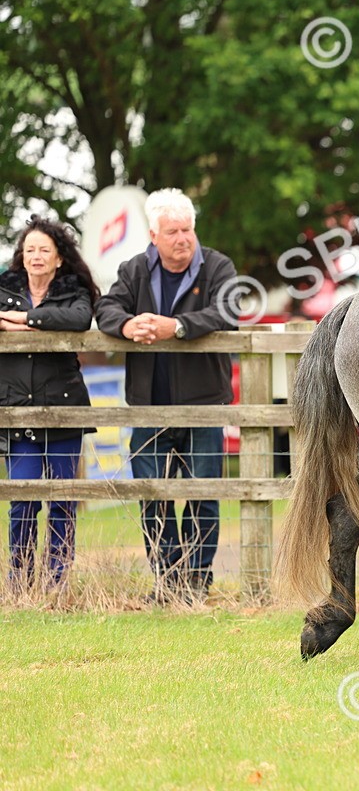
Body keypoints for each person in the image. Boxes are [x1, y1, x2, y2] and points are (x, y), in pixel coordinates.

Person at [95, 188, 239, 604]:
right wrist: (127, 326)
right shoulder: (134, 269)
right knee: (152, 494)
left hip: (204, 403)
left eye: (188, 229)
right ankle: (167, 581)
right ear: (153, 235)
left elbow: (227, 311)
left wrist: (174, 327)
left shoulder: (217, 266)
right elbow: (106, 308)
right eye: (173, 231)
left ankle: (196, 582)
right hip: (148, 405)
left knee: (203, 495)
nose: (183, 238)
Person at [0, 217, 99, 593]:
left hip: (63, 408)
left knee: (62, 501)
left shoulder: (73, 289)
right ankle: (21, 584)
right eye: (30, 250)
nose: (36, 256)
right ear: (21, 257)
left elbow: (77, 319)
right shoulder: (4, 286)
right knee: (22, 500)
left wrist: (24, 319)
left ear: (59, 258)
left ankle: (57, 583)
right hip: (16, 410)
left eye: (44, 250)